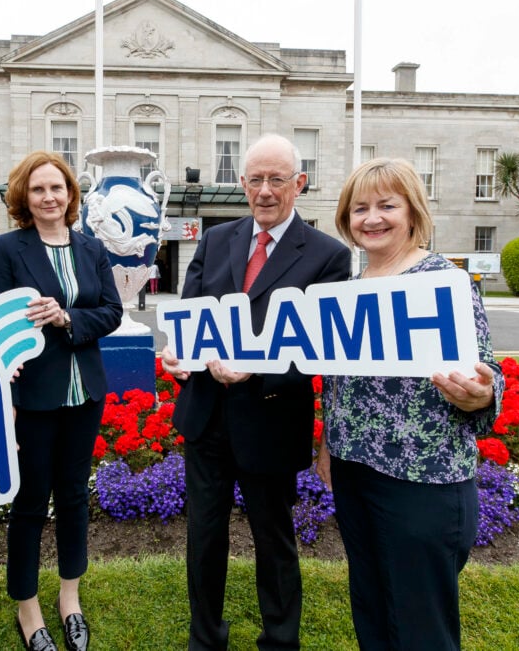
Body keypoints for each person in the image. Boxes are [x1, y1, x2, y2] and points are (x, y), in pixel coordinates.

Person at [161, 134, 351, 650]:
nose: (265, 191)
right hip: (206, 417)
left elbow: (323, 351)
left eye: (277, 180)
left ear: (299, 184)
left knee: (274, 541)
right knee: (204, 540)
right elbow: (191, 316)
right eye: (255, 180)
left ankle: (280, 641)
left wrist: (255, 371)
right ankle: (206, 640)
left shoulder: (329, 257)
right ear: (242, 184)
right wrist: (182, 357)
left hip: (271, 420)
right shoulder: (216, 239)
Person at [316, 157, 505, 651]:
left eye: (386, 206)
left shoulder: (445, 280)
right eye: (360, 208)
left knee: (422, 625)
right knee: (373, 608)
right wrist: (327, 444)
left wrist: (481, 394)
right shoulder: (351, 289)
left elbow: (486, 374)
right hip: (356, 472)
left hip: (424, 480)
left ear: (413, 212)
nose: (371, 218)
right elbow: (339, 384)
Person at [0, 151, 122, 651]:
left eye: (57, 188)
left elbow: (111, 311)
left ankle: (70, 600)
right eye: (39, 189)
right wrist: (10, 356)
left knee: (71, 498)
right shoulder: (7, 248)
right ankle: (28, 609)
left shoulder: (91, 248)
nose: (49, 196)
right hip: (34, 395)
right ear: (25, 196)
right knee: (29, 503)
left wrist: (67, 317)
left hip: (83, 393)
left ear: (71, 195)